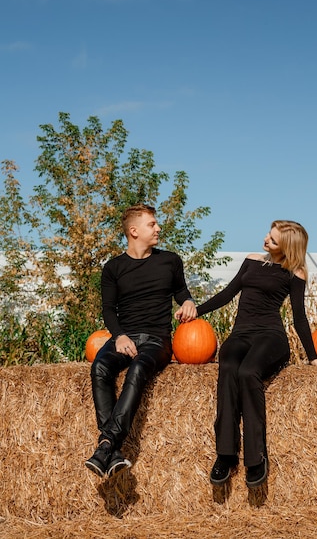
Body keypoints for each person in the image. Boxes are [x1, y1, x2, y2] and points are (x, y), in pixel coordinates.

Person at [177, 220, 317, 489]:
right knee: (228, 367)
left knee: (249, 372)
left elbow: (299, 318)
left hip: (270, 337)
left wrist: (314, 358)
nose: (265, 240)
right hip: (240, 335)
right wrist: (195, 311)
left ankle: (256, 456)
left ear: (287, 247)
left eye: (273, 240)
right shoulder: (251, 261)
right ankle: (225, 454)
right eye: (268, 235)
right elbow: (226, 295)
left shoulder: (294, 272)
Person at [85, 203, 197, 478]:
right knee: (99, 368)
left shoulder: (170, 260)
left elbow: (182, 292)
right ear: (134, 231)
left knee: (137, 369)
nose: (158, 228)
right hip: (124, 337)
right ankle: (113, 452)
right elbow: (109, 310)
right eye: (152, 224)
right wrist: (120, 336)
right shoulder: (113, 268)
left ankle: (107, 443)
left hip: (157, 341)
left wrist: (189, 302)